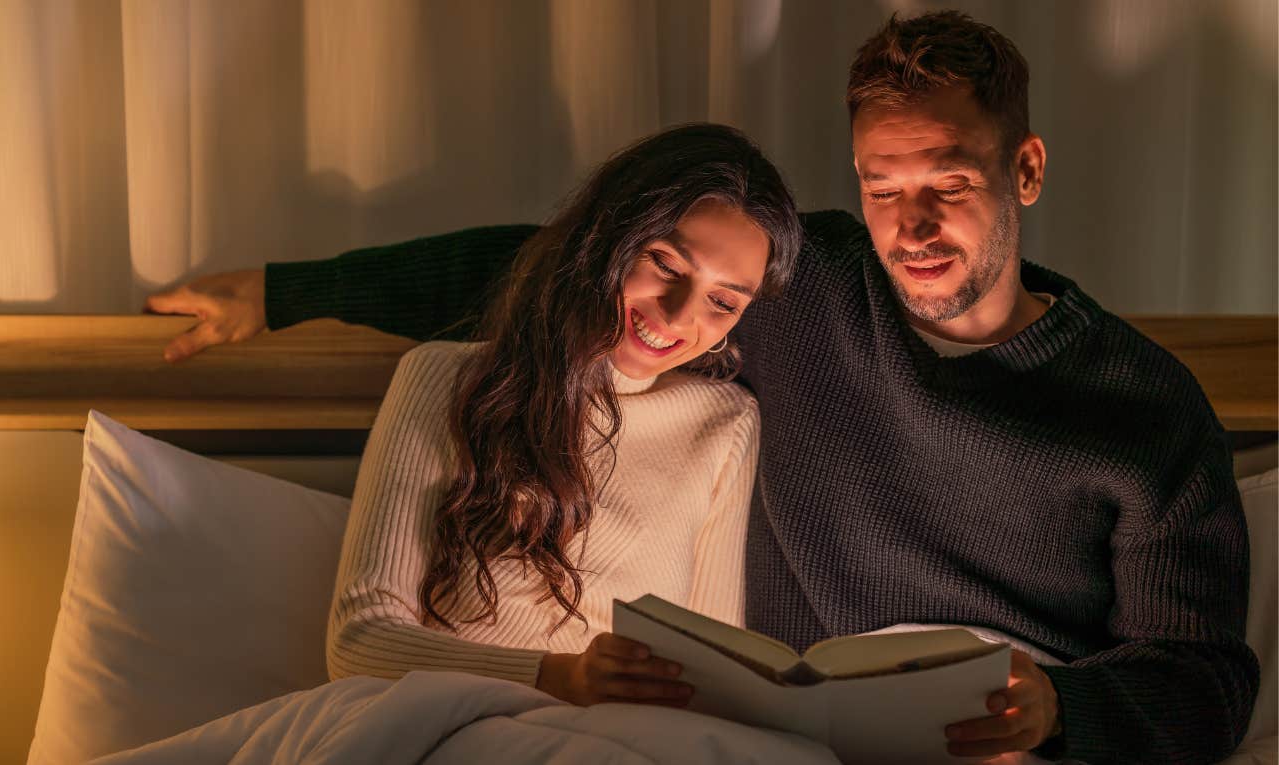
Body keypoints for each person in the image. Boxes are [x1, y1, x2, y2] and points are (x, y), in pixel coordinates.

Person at [145, 12, 1259, 764]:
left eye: (950, 184)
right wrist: (287, 291)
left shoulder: (1143, 409)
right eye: (883, 187)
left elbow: (1204, 674)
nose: (910, 227)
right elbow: (557, 263)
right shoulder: (800, 287)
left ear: (1024, 170)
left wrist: (1065, 711)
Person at [315, 124, 803, 707]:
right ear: (609, 239)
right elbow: (357, 642)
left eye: (723, 301)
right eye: (667, 265)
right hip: (457, 728)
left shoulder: (724, 424)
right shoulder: (445, 379)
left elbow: (717, 667)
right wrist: (557, 677)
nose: (677, 316)